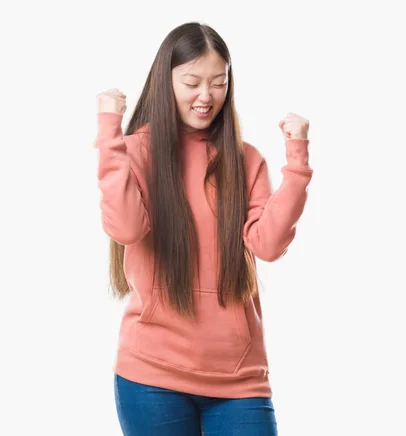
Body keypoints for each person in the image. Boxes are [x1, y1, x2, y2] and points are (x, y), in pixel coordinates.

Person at [93, 21, 313, 435]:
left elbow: (267, 245)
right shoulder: (137, 151)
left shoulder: (245, 159)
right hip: (152, 377)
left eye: (218, 82)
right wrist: (110, 134)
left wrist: (297, 164)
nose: (206, 96)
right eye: (192, 82)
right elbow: (124, 227)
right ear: (166, 81)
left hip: (239, 377)